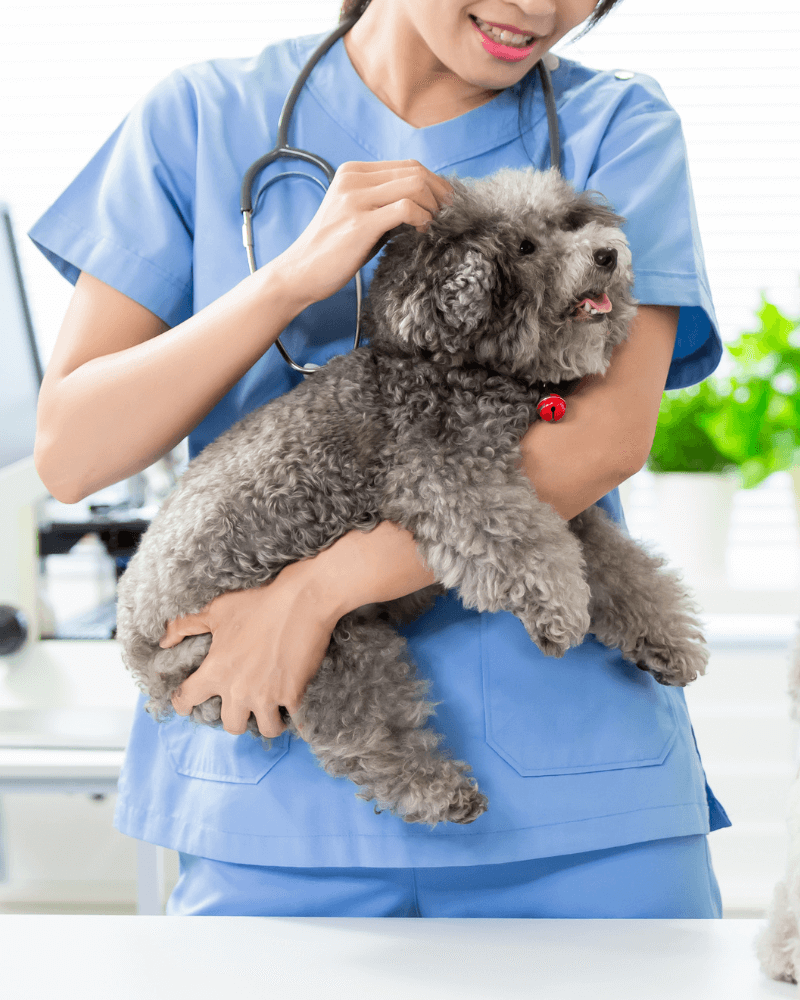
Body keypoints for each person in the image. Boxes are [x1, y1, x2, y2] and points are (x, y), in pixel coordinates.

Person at [30, 0, 731, 918]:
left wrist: (313, 594)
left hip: (577, 792)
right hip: (276, 777)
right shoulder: (198, 117)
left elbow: (601, 440)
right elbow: (74, 455)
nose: (542, 8)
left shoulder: (619, 125)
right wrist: (291, 279)